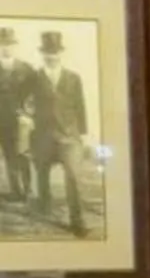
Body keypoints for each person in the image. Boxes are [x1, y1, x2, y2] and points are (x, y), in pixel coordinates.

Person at [28, 31, 88, 238]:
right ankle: (44, 205)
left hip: (68, 137)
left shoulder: (73, 78)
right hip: (42, 137)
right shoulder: (34, 77)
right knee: (41, 174)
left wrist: (82, 134)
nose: (51, 56)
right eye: (47, 52)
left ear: (61, 53)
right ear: (42, 54)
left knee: (73, 177)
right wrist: (25, 116)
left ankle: (77, 220)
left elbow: (80, 106)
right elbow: (25, 102)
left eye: (54, 52)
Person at [0, 29, 33, 207]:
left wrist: (27, 114)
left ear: (16, 46)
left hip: (20, 121)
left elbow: (35, 95)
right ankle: (15, 191)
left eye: (10, 44)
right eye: (3, 44)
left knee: (22, 155)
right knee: (8, 155)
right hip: (1, 120)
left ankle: (28, 191)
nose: (7, 48)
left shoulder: (26, 69)